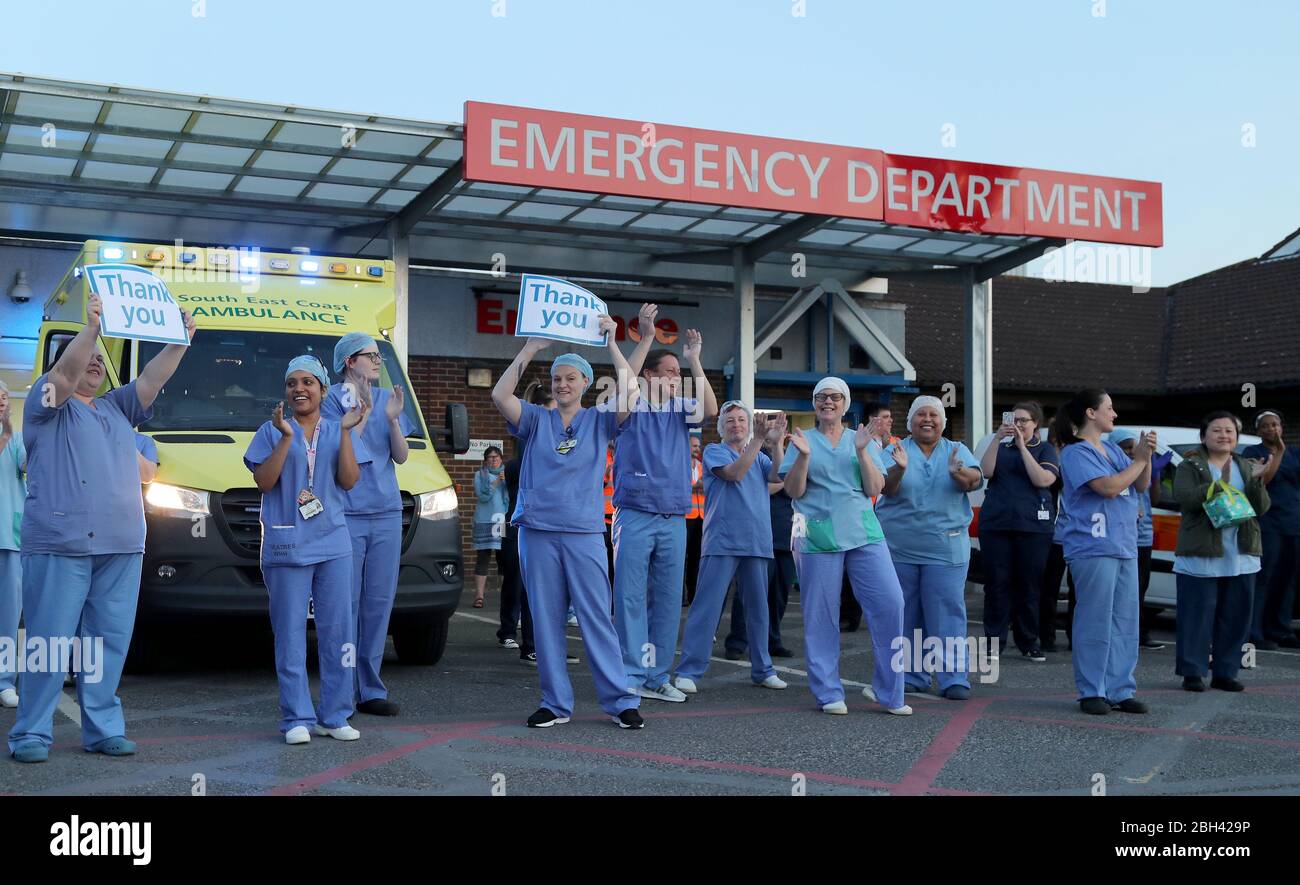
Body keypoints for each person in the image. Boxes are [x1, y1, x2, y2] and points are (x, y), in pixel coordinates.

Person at [9, 294, 194, 763]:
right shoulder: (45, 404)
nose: (94, 363)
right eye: (86, 357)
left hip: (121, 547)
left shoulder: (117, 408)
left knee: (108, 644)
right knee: (49, 644)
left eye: (100, 359)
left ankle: (102, 729)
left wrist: (180, 342)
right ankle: (31, 733)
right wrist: (89, 330)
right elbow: (66, 377)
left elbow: (152, 379)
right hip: (59, 545)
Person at [491, 326, 643, 729]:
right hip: (536, 530)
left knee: (596, 616)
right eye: (557, 378)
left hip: (583, 532)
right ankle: (555, 703)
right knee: (544, 617)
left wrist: (612, 343)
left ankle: (620, 700)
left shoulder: (600, 420)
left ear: (586, 384)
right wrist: (530, 348)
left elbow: (631, 394)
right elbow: (499, 396)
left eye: (570, 378)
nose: (562, 384)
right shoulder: (536, 419)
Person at [246, 355, 366, 744]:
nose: (299, 389)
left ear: (323, 389)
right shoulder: (271, 429)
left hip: (332, 542)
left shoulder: (337, 429)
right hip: (287, 544)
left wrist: (347, 433)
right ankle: (296, 717)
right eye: (292, 383)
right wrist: (285, 438)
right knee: (290, 633)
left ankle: (335, 714)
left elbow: (349, 480)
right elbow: (264, 482)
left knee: (338, 632)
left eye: (308, 382)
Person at [782, 377, 911, 715]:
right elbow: (793, 491)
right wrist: (804, 458)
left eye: (836, 397)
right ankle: (828, 692)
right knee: (821, 613)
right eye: (822, 397)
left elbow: (875, 487)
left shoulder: (863, 439)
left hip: (863, 530)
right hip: (817, 533)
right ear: (814, 403)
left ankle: (890, 692)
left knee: (891, 602)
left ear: (846, 402)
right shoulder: (801, 440)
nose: (828, 402)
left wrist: (860, 451)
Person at [612, 304, 718, 703]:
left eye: (678, 373)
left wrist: (694, 362)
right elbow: (625, 382)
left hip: (673, 516)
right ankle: (631, 673)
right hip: (635, 514)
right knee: (631, 597)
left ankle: (657, 676)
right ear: (650, 376)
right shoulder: (629, 405)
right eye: (670, 372)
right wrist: (646, 336)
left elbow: (711, 409)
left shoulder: (680, 410)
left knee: (670, 600)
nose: (677, 378)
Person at [322, 332, 414, 717]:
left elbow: (402, 455)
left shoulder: (386, 399)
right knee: (347, 605)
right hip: (347, 513)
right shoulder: (330, 400)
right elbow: (342, 453)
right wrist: (357, 417)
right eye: (370, 356)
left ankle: (370, 689)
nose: (378, 361)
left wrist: (392, 420)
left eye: (379, 355)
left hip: (387, 513)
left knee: (378, 603)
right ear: (349, 361)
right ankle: (342, 691)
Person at [674, 403, 789, 694]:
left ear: (748, 425)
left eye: (741, 419)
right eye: (730, 420)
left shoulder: (760, 455)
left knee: (758, 611)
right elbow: (735, 474)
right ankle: (689, 670)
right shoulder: (714, 450)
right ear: (721, 427)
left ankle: (763, 669)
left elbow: (778, 477)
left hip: (756, 541)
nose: (736, 424)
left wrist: (775, 445)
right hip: (722, 540)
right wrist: (760, 441)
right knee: (707, 608)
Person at [1053, 389, 1154, 716]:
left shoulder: (1111, 449)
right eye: (1109, 408)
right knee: (1095, 620)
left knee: (1126, 622)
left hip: (1124, 545)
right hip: (1093, 546)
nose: (1115, 414)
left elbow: (1140, 485)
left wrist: (1146, 456)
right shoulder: (1075, 452)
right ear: (1090, 413)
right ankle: (1092, 690)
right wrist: (1137, 461)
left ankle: (1120, 689)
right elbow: (1108, 488)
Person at [876, 396, 983, 700]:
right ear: (910, 421)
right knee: (907, 613)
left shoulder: (955, 450)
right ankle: (913, 674)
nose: (927, 419)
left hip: (945, 548)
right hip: (900, 547)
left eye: (933, 415)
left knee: (947, 612)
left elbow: (974, 480)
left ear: (942, 422)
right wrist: (898, 469)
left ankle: (954, 677)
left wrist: (959, 474)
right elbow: (887, 487)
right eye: (920, 414)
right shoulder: (894, 450)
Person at [1171, 412, 1270, 692]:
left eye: (1229, 431)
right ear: (1204, 436)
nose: (1224, 435)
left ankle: (1225, 672)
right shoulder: (1191, 465)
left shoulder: (1245, 465)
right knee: (1197, 615)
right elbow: (1185, 499)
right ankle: (1193, 671)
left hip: (1241, 551)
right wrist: (1217, 483)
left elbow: (1260, 509)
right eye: (1217, 430)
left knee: (1236, 616)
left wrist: (1258, 482)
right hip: (1202, 551)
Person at [978, 402, 1058, 662]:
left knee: (1029, 585)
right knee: (997, 584)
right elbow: (986, 471)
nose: (1019, 424)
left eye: (1025, 420)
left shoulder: (1045, 449)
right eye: (1016, 419)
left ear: (1036, 424)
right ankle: (993, 642)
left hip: (1033, 526)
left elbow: (1043, 479)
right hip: (997, 524)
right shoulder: (1000, 446)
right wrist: (997, 439)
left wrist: (1023, 447)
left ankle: (1028, 641)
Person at [1242, 411, 1300, 648]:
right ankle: (1255, 631)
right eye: (1265, 426)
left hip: (1293, 523)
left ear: (1281, 427)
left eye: (1275, 424)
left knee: (1288, 578)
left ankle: (1281, 628)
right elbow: (1263, 481)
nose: (1271, 429)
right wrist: (1278, 453)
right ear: (1259, 431)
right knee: (1265, 577)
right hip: (1268, 523)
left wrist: (1285, 451)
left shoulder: (1295, 452)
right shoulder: (1252, 453)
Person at [841, 402, 898, 631]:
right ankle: (849, 616)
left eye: (891, 417)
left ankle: (881, 617)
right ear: (874, 420)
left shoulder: (895, 444)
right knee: (849, 570)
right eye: (885, 416)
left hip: (886, 514)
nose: (890, 421)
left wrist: (887, 443)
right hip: (862, 514)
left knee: (880, 573)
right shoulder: (856, 441)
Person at [1109, 428, 1165, 650]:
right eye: (1127, 447)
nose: (1132, 451)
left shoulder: (1143, 466)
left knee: (1139, 588)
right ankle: (1119, 634)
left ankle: (1139, 633)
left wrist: (1155, 474)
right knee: (1120, 590)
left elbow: (1154, 497)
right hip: (1121, 537)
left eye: (1134, 447)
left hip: (1143, 537)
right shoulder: (1114, 468)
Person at [0, 381, 25, 709]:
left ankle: (4, 680)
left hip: (10, 537)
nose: (2, 401)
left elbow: (29, 467)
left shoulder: (17, 440)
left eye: (4, 397)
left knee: (8, 617)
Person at [471, 445, 509, 612]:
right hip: (484, 519)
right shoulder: (480, 475)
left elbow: (512, 495)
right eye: (490, 457)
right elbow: (483, 496)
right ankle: (479, 596)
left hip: (500, 519)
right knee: (483, 558)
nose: (493, 460)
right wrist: (496, 482)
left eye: (496, 457)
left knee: (503, 559)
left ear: (501, 458)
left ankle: (505, 596)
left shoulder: (507, 474)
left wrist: (506, 480)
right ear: (485, 461)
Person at [683, 433, 705, 606]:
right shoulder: (679, 464)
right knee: (682, 558)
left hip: (700, 517)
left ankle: (693, 595)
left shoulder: (701, 466)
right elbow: (677, 488)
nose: (697, 449)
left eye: (698, 446)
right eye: (694, 446)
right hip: (686, 516)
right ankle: (681, 596)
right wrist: (694, 487)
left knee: (696, 558)